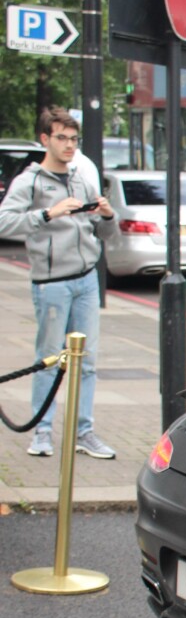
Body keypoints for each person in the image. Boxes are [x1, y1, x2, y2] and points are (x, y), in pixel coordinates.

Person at [0, 107, 118, 459]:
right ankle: (43, 432)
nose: (69, 145)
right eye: (62, 138)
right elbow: (4, 223)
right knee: (49, 359)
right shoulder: (30, 181)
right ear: (45, 140)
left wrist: (109, 216)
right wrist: (48, 214)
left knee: (88, 361)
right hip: (51, 284)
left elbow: (105, 231)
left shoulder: (82, 178)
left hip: (86, 281)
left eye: (73, 139)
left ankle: (84, 432)